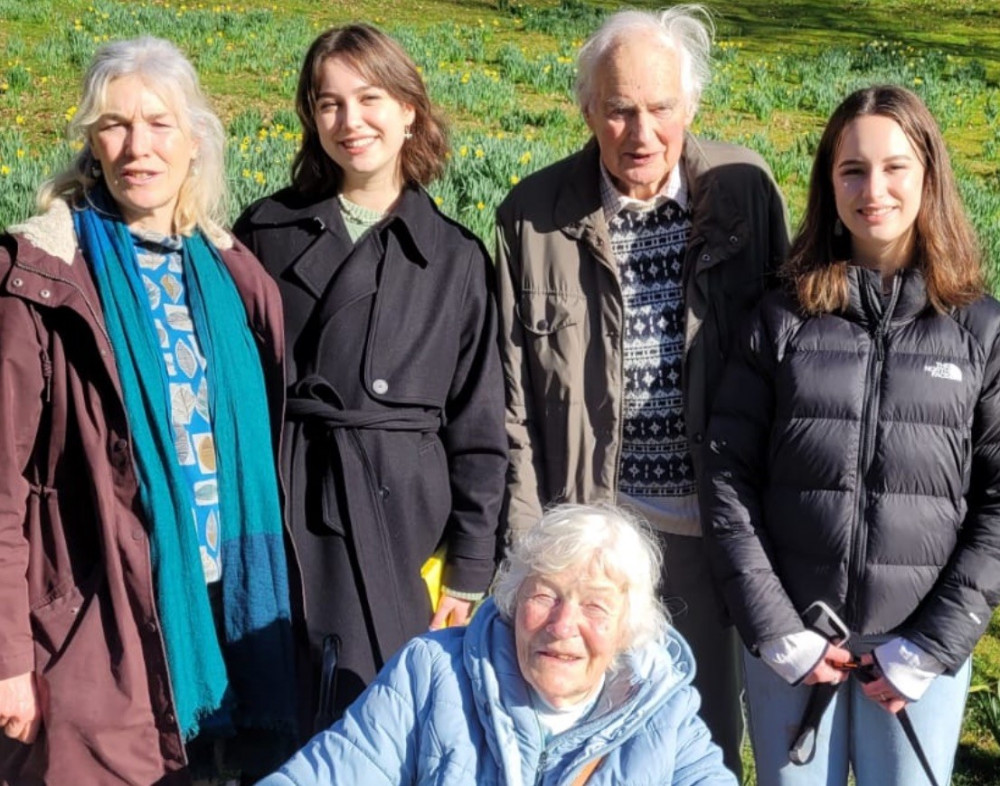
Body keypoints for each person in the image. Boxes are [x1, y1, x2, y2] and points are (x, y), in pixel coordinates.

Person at [494, 5, 788, 772]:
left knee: (701, 738)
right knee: (579, 742)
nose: (641, 133)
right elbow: (513, 405)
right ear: (589, 109)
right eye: (619, 110)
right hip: (593, 535)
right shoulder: (533, 217)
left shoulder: (746, 192)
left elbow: (787, 362)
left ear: (691, 106)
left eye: (660, 109)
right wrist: (535, 553)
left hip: (712, 532)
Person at [0, 37, 296, 784]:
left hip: (224, 616)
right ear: (91, 144)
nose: (139, 147)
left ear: (194, 139)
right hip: (98, 629)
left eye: (160, 123)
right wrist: (7, 658)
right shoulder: (42, 281)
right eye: (115, 124)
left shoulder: (235, 275)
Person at [702, 84, 1000, 786]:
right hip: (795, 649)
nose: (875, 189)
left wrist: (928, 648)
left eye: (895, 166)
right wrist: (777, 631)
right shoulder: (780, 320)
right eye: (853, 170)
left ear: (928, 173)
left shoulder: (981, 331)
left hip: (916, 655)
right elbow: (726, 478)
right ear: (828, 183)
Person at [233, 23, 507, 730]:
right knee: (288, 720)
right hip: (289, 501)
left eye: (370, 97)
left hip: (404, 523)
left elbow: (479, 433)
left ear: (409, 108)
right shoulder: (264, 232)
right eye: (328, 103)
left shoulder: (455, 257)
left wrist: (472, 571)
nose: (350, 122)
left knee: (390, 721)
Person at [258, 503, 737, 785]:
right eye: (545, 595)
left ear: (628, 628)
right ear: (511, 601)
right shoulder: (431, 673)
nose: (563, 623)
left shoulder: (664, 713)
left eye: (595, 606)